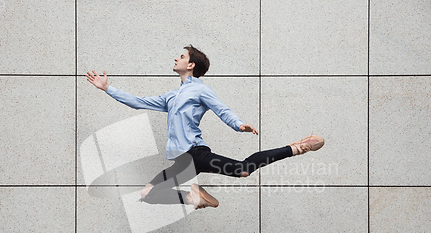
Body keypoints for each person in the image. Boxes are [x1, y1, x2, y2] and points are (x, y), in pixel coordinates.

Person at [86, 45, 324, 210]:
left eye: (180, 56)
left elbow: (222, 109)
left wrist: (238, 124)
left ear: (190, 65)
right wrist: (108, 88)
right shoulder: (172, 96)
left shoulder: (200, 89)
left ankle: (296, 147)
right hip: (182, 160)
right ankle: (195, 198)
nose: (175, 59)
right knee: (148, 194)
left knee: (242, 170)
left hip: (195, 154)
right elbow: (139, 102)